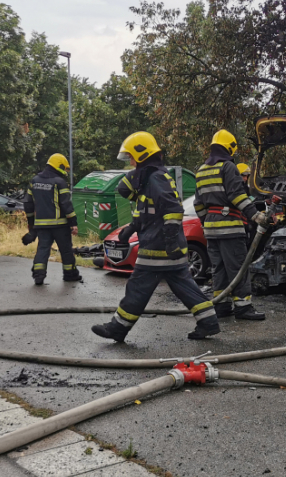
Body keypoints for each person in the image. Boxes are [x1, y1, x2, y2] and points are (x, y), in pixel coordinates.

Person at [91, 132, 220, 342]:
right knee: (184, 286)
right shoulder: (151, 179)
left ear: (142, 155)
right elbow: (146, 213)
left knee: (137, 287)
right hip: (165, 246)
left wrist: (169, 240)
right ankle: (209, 321)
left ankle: (118, 328)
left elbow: (173, 209)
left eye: (132, 157)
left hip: (158, 246)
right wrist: (130, 230)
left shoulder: (155, 178)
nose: (130, 163)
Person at [195, 130, 269, 320]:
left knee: (218, 268)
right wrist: (255, 215)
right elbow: (237, 196)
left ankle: (221, 306)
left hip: (211, 230)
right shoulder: (228, 167)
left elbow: (198, 204)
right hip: (230, 228)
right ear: (230, 148)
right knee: (238, 267)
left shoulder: (201, 170)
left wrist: (207, 222)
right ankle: (243, 307)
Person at [22, 154, 80, 285]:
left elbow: (28, 203)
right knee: (66, 250)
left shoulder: (34, 181)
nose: (65, 172)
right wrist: (73, 223)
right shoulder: (59, 182)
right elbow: (66, 204)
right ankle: (70, 275)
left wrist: (31, 223)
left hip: (41, 225)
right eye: (64, 168)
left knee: (42, 249)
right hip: (60, 225)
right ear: (59, 166)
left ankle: (38, 276)